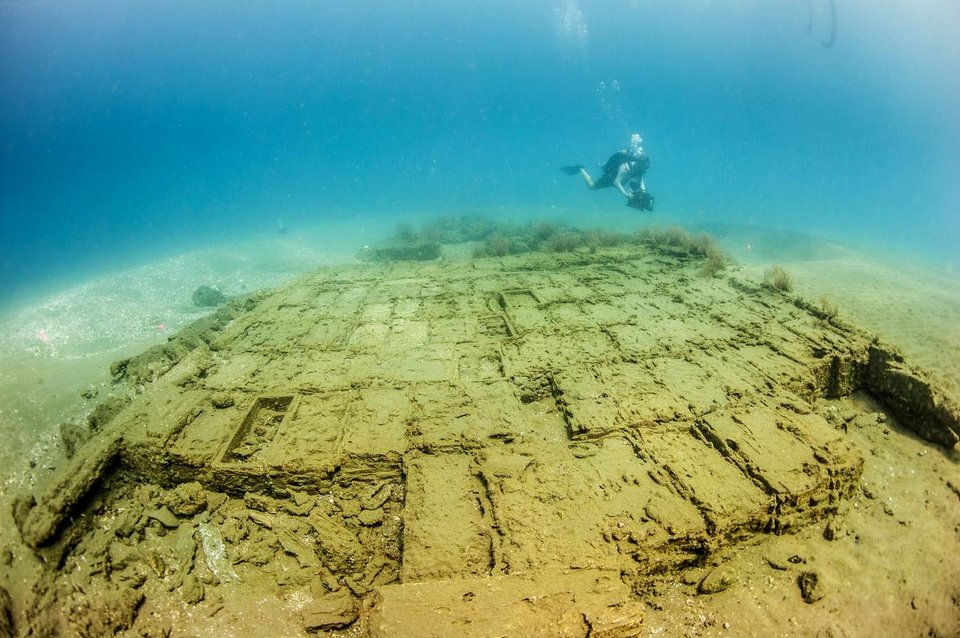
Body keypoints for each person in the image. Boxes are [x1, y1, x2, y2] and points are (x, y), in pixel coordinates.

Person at [562, 133, 654, 211]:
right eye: (643, 166)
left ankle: (583, 168)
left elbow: (640, 180)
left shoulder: (639, 169)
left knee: (634, 188)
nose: (643, 169)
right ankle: (580, 169)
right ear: (638, 163)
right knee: (591, 186)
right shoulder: (626, 168)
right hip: (612, 177)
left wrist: (644, 191)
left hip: (622, 181)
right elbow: (616, 182)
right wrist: (626, 194)